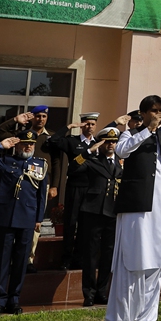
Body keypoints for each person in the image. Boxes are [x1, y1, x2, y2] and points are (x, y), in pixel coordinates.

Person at [109, 97, 161, 321]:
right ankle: (121, 320)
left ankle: (147, 320)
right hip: (137, 209)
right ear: (144, 113)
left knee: (156, 265)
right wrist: (149, 129)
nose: (159, 115)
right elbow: (122, 151)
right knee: (132, 265)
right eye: (155, 111)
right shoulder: (131, 134)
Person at [0, 130, 48, 317]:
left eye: (31, 144)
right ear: (17, 145)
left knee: (21, 260)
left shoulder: (40, 165)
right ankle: (0, 300)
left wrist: (39, 218)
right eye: (24, 143)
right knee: (2, 260)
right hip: (6, 217)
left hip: (27, 217)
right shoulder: (6, 161)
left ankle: (14, 299)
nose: (28, 146)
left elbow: (42, 195)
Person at [0, 107, 59, 272]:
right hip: (19, 183)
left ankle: (28, 259)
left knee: (34, 223)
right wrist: (14, 120)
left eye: (44, 116)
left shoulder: (51, 136)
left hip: (39, 183)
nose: (40, 119)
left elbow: (56, 161)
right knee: (14, 223)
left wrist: (55, 184)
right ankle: (11, 260)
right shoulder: (21, 135)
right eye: (37, 116)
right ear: (32, 118)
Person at [70, 126, 122, 307]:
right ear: (101, 143)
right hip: (93, 212)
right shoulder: (92, 160)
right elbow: (74, 166)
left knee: (108, 254)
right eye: (107, 142)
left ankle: (102, 291)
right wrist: (89, 150)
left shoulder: (120, 164)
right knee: (91, 255)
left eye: (114, 142)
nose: (111, 145)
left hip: (113, 213)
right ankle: (89, 293)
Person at [43, 111, 99, 270]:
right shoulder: (72, 141)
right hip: (75, 187)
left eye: (93, 124)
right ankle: (66, 258)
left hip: (91, 189)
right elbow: (53, 140)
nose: (89, 127)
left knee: (85, 225)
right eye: (86, 124)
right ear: (82, 125)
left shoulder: (98, 143)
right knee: (70, 223)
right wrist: (69, 127)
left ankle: (79, 258)